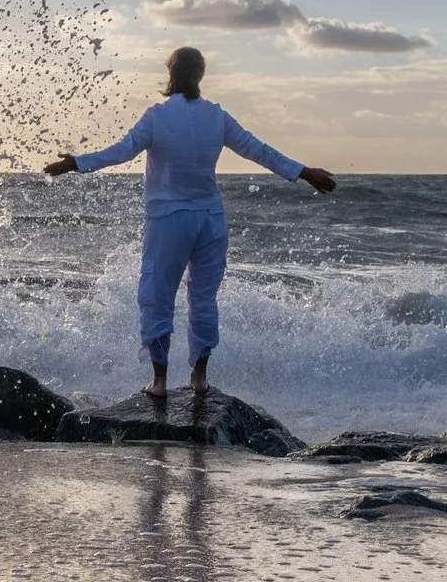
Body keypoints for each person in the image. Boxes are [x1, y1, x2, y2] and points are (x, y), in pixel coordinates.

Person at [43, 47, 336, 397]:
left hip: (170, 220)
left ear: (171, 71)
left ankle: (160, 380)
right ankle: (199, 377)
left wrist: (77, 163)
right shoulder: (216, 117)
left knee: (157, 294)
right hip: (211, 220)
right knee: (203, 298)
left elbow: (123, 150)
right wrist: (304, 172)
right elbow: (260, 150)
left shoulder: (157, 115)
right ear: (201, 74)